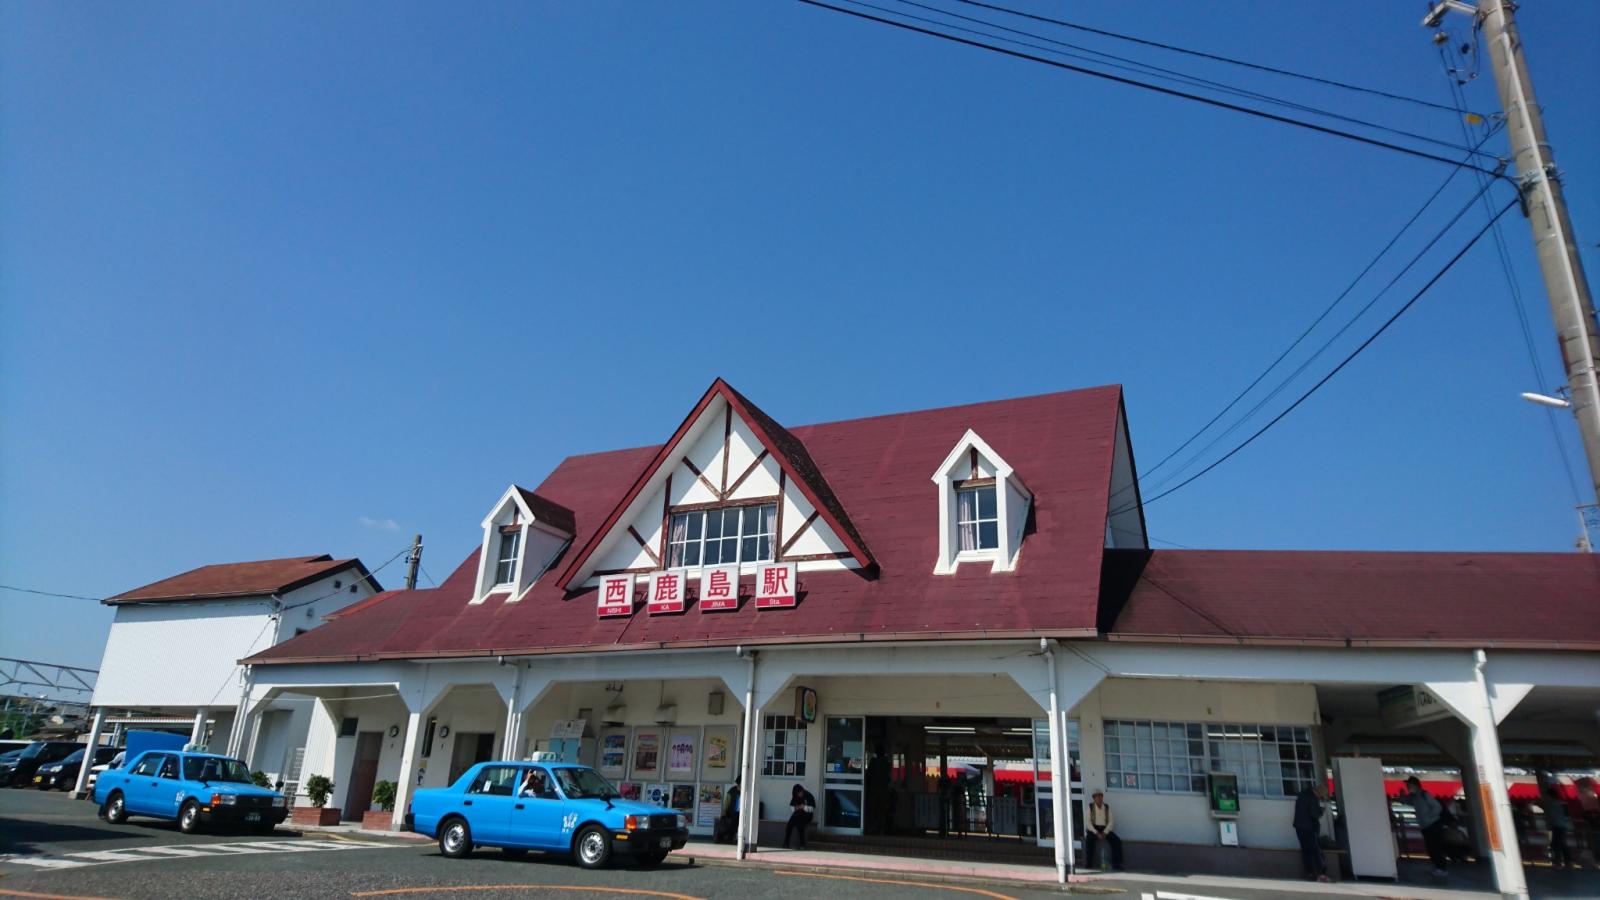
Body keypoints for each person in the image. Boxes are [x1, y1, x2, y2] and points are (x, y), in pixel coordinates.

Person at [1406, 776, 1448, 876]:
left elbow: (1437, 807)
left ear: (1415, 785)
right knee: (1431, 847)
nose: (1408, 787)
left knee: (1435, 847)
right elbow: (1407, 801)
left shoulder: (1424, 794)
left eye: (1409, 785)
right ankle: (1439, 867)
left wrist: (1428, 817)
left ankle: (1442, 868)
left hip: (1433, 825)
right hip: (1425, 826)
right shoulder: (1414, 797)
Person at [1293, 783, 1330, 882]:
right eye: (1321, 797)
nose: (1320, 798)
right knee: (1316, 850)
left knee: (1306, 850)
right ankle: (1321, 873)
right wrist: (1321, 811)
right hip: (1309, 828)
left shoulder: (1302, 794)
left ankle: (1310, 872)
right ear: (1318, 793)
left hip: (1299, 826)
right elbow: (1314, 814)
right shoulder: (1313, 798)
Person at [1083, 791, 1124, 871]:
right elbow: (1087, 822)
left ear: (1102, 798)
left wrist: (1105, 832)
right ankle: (1089, 863)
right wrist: (1096, 832)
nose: (1099, 798)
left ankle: (1117, 864)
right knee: (1089, 840)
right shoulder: (1090, 807)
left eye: (1100, 796)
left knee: (1116, 841)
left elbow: (1111, 821)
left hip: (1104, 829)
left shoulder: (1107, 807)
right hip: (1094, 829)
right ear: (1093, 798)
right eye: (1096, 797)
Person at [1544, 785, 1573, 868]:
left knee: (1557, 844)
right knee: (1562, 843)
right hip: (1562, 825)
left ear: (1549, 795)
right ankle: (1567, 861)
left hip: (1556, 825)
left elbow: (1550, 815)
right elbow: (1567, 814)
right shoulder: (1562, 803)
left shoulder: (1550, 804)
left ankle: (1558, 861)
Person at [784, 783, 815, 849]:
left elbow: (812, 809)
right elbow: (791, 806)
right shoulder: (795, 797)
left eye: (800, 793)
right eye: (798, 794)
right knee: (789, 824)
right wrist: (796, 808)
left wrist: (804, 807)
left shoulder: (808, 795)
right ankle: (786, 843)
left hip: (807, 815)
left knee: (799, 825)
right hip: (797, 814)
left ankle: (802, 844)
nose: (799, 795)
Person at [714, 778, 741, 845]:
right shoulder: (732, 791)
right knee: (732, 826)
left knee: (738, 826)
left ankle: (736, 839)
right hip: (732, 812)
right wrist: (724, 811)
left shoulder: (746, 791)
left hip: (741, 813)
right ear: (739, 783)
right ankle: (730, 839)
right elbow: (727, 802)